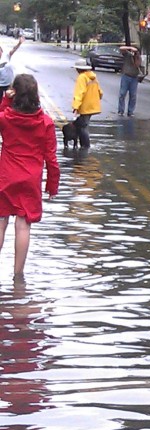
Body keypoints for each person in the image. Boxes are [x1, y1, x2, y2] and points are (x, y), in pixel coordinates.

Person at [0, 74, 60, 282]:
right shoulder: (45, 123)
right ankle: (18, 276)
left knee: (0, 222)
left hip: (6, 175)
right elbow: (51, 159)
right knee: (23, 226)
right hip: (30, 179)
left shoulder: (5, 118)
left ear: (15, 92)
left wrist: (6, 100)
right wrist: (52, 186)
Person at [71, 59, 103, 150]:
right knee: (84, 125)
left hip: (85, 106)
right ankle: (85, 145)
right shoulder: (93, 77)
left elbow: (79, 93)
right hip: (93, 105)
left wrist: (76, 106)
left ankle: (85, 146)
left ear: (78, 69)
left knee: (83, 127)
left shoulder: (82, 77)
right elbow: (100, 92)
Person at [118, 45, 141, 117]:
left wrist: (136, 55)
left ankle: (130, 111)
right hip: (126, 76)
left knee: (133, 95)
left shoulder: (138, 57)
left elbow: (138, 64)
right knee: (122, 94)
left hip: (134, 77)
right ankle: (121, 110)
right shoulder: (127, 55)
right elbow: (121, 48)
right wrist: (130, 48)